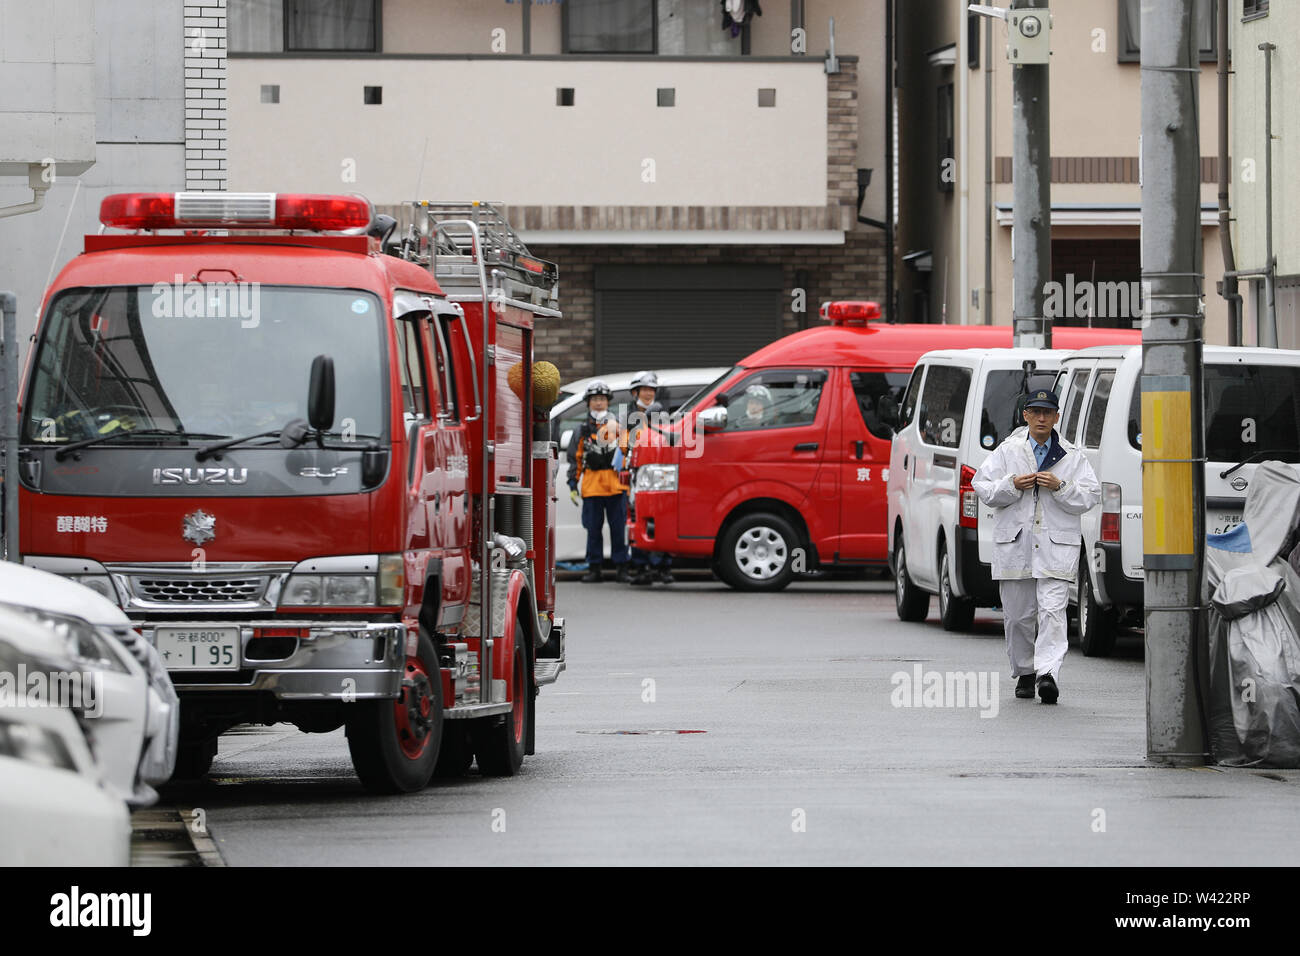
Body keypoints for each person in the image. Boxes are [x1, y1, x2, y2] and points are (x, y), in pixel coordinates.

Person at [972, 388, 1100, 704]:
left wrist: (1061, 487)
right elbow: (982, 487)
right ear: (1026, 415)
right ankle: (1025, 673)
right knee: (1017, 616)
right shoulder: (1008, 451)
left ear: (1056, 417)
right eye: (1036, 412)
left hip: (1056, 548)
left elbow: (1090, 496)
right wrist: (1011, 486)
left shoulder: (1072, 456)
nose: (1042, 418)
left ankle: (1047, 675)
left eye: (1048, 412)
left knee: (1054, 612)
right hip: (1015, 546)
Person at [567, 381, 631, 583]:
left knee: (619, 529)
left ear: (608, 402)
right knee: (593, 530)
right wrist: (572, 484)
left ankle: (622, 567)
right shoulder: (582, 429)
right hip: (592, 487)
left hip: (616, 486)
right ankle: (594, 568)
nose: (598, 403)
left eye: (602, 399)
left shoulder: (618, 427)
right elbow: (575, 458)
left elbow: (627, 453)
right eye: (594, 399)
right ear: (588, 403)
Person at [624, 371, 674, 586]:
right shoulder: (627, 416)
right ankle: (640, 566)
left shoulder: (664, 414)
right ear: (635, 392)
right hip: (636, 474)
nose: (647, 393)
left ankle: (662, 567)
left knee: (660, 517)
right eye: (644, 390)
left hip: (658, 473)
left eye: (651, 390)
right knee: (638, 517)